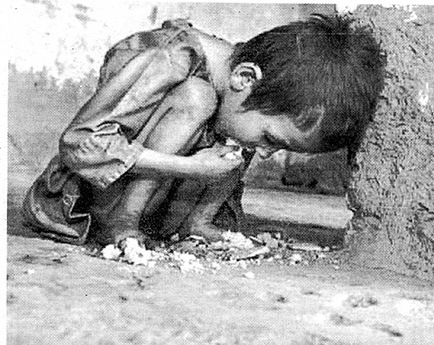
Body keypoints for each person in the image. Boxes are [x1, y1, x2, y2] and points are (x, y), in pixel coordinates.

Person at [22, 14, 386, 247]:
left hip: (160, 207)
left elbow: (242, 134)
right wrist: (190, 168)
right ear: (245, 78)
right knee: (199, 99)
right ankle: (125, 220)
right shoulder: (169, 59)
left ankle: (198, 222)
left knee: (237, 133)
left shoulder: (235, 89)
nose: (265, 153)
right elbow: (80, 143)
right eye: (272, 139)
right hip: (84, 202)